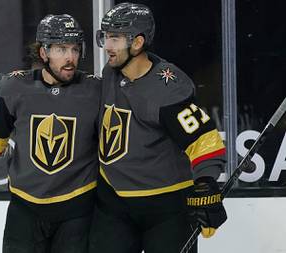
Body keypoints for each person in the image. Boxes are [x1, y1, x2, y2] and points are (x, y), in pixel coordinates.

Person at [0, 14, 101, 253]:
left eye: (75, 49)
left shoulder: (95, 90)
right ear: (43, 53)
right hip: (25, 210)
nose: (70, 58)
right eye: (61, 49)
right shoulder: (14, 87)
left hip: (78, 210)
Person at [89, 3, 227, 253]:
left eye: (115, 38)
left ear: (138, 42)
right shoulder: (111, 72)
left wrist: (206, 184)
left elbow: (204, 141)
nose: (107, 46)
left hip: (166, 209)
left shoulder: (167, 89)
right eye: (106, 37)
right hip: (114, 204)